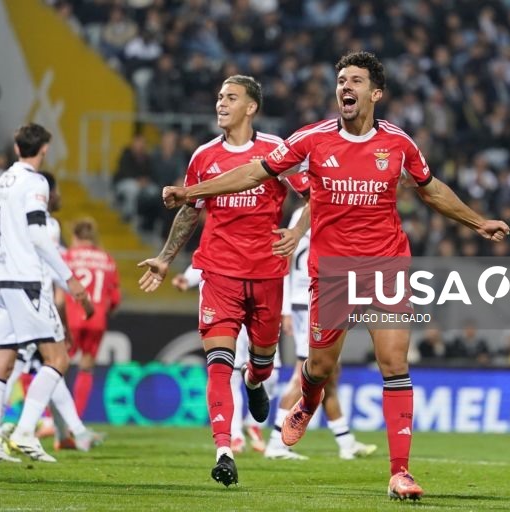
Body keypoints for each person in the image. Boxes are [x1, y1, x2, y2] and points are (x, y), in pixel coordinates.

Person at [162, 51, 510, 500]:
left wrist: (477, 222)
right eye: (341, 79)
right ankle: (308, 401)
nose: (345, 86)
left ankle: (400, 473)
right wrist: (191, 192)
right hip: (332, 273)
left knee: (395, 364)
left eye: (356, 80)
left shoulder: (398, 143)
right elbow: (252, 173)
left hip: (385, 265)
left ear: (375, 93)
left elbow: (431, 189)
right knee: (321, 367)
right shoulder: (312, 139)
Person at [139, 75, 302, 487]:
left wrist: (298, 232)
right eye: (219, 97)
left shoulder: (276, 151)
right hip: (219, 274)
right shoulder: (204, 156)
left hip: (267, 274)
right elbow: (190, 210)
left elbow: (315, 193)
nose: (221, 104)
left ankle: (254, 381)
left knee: (261, 364)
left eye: (231, 97)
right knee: (218, 365)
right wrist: (165, 258)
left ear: (251, 107)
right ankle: (224, 451)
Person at [0, 123, 93, 463]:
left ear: (16, 148)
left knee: (0, 364)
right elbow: (38, 235)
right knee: (58, 359)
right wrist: (70, 279)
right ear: (45, 149)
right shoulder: (36, 182)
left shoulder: (1, 182)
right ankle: (26, 430)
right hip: (24, 279)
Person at [264, 186, 377, 461]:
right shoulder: (311, 214)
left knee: (330, 373)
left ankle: (345, 441)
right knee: (304, 374)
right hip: (309, 300)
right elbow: (285, 263)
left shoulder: (310, 213)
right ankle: (276, 443)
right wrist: (285, 309)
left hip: (319, 299)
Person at [171, 265, 280, 455]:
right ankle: (235, 435)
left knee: (269, 374)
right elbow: (210, 253)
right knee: (229, 373)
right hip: (229, 298)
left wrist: (286, 310)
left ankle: (252, 421)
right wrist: (188, 278)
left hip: (264, 293)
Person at [64, 217, 121, 418]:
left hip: (71, 318)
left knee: (57, 365)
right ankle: (75, 420)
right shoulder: (107, 259)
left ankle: (51, 418)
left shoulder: (67, 257)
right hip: (97, 319)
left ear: (75, 236)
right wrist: (106, 310)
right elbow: (115, 298)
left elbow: (58, 289)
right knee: (86, 367)